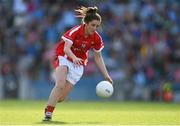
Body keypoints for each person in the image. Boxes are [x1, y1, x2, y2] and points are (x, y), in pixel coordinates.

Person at [43, 6, 113, 121]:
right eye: (93, 25)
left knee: (60, 98)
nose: (95, 28)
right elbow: (66, 49)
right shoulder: (76, 31)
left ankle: (52, 101)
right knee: (60, 84)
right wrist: (74, 57)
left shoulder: (97, 38)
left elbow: (98, 57)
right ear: (86, 23)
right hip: (64, 57)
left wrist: (106, 75)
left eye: (97, 26)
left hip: (78, 64)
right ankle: (48, 114)